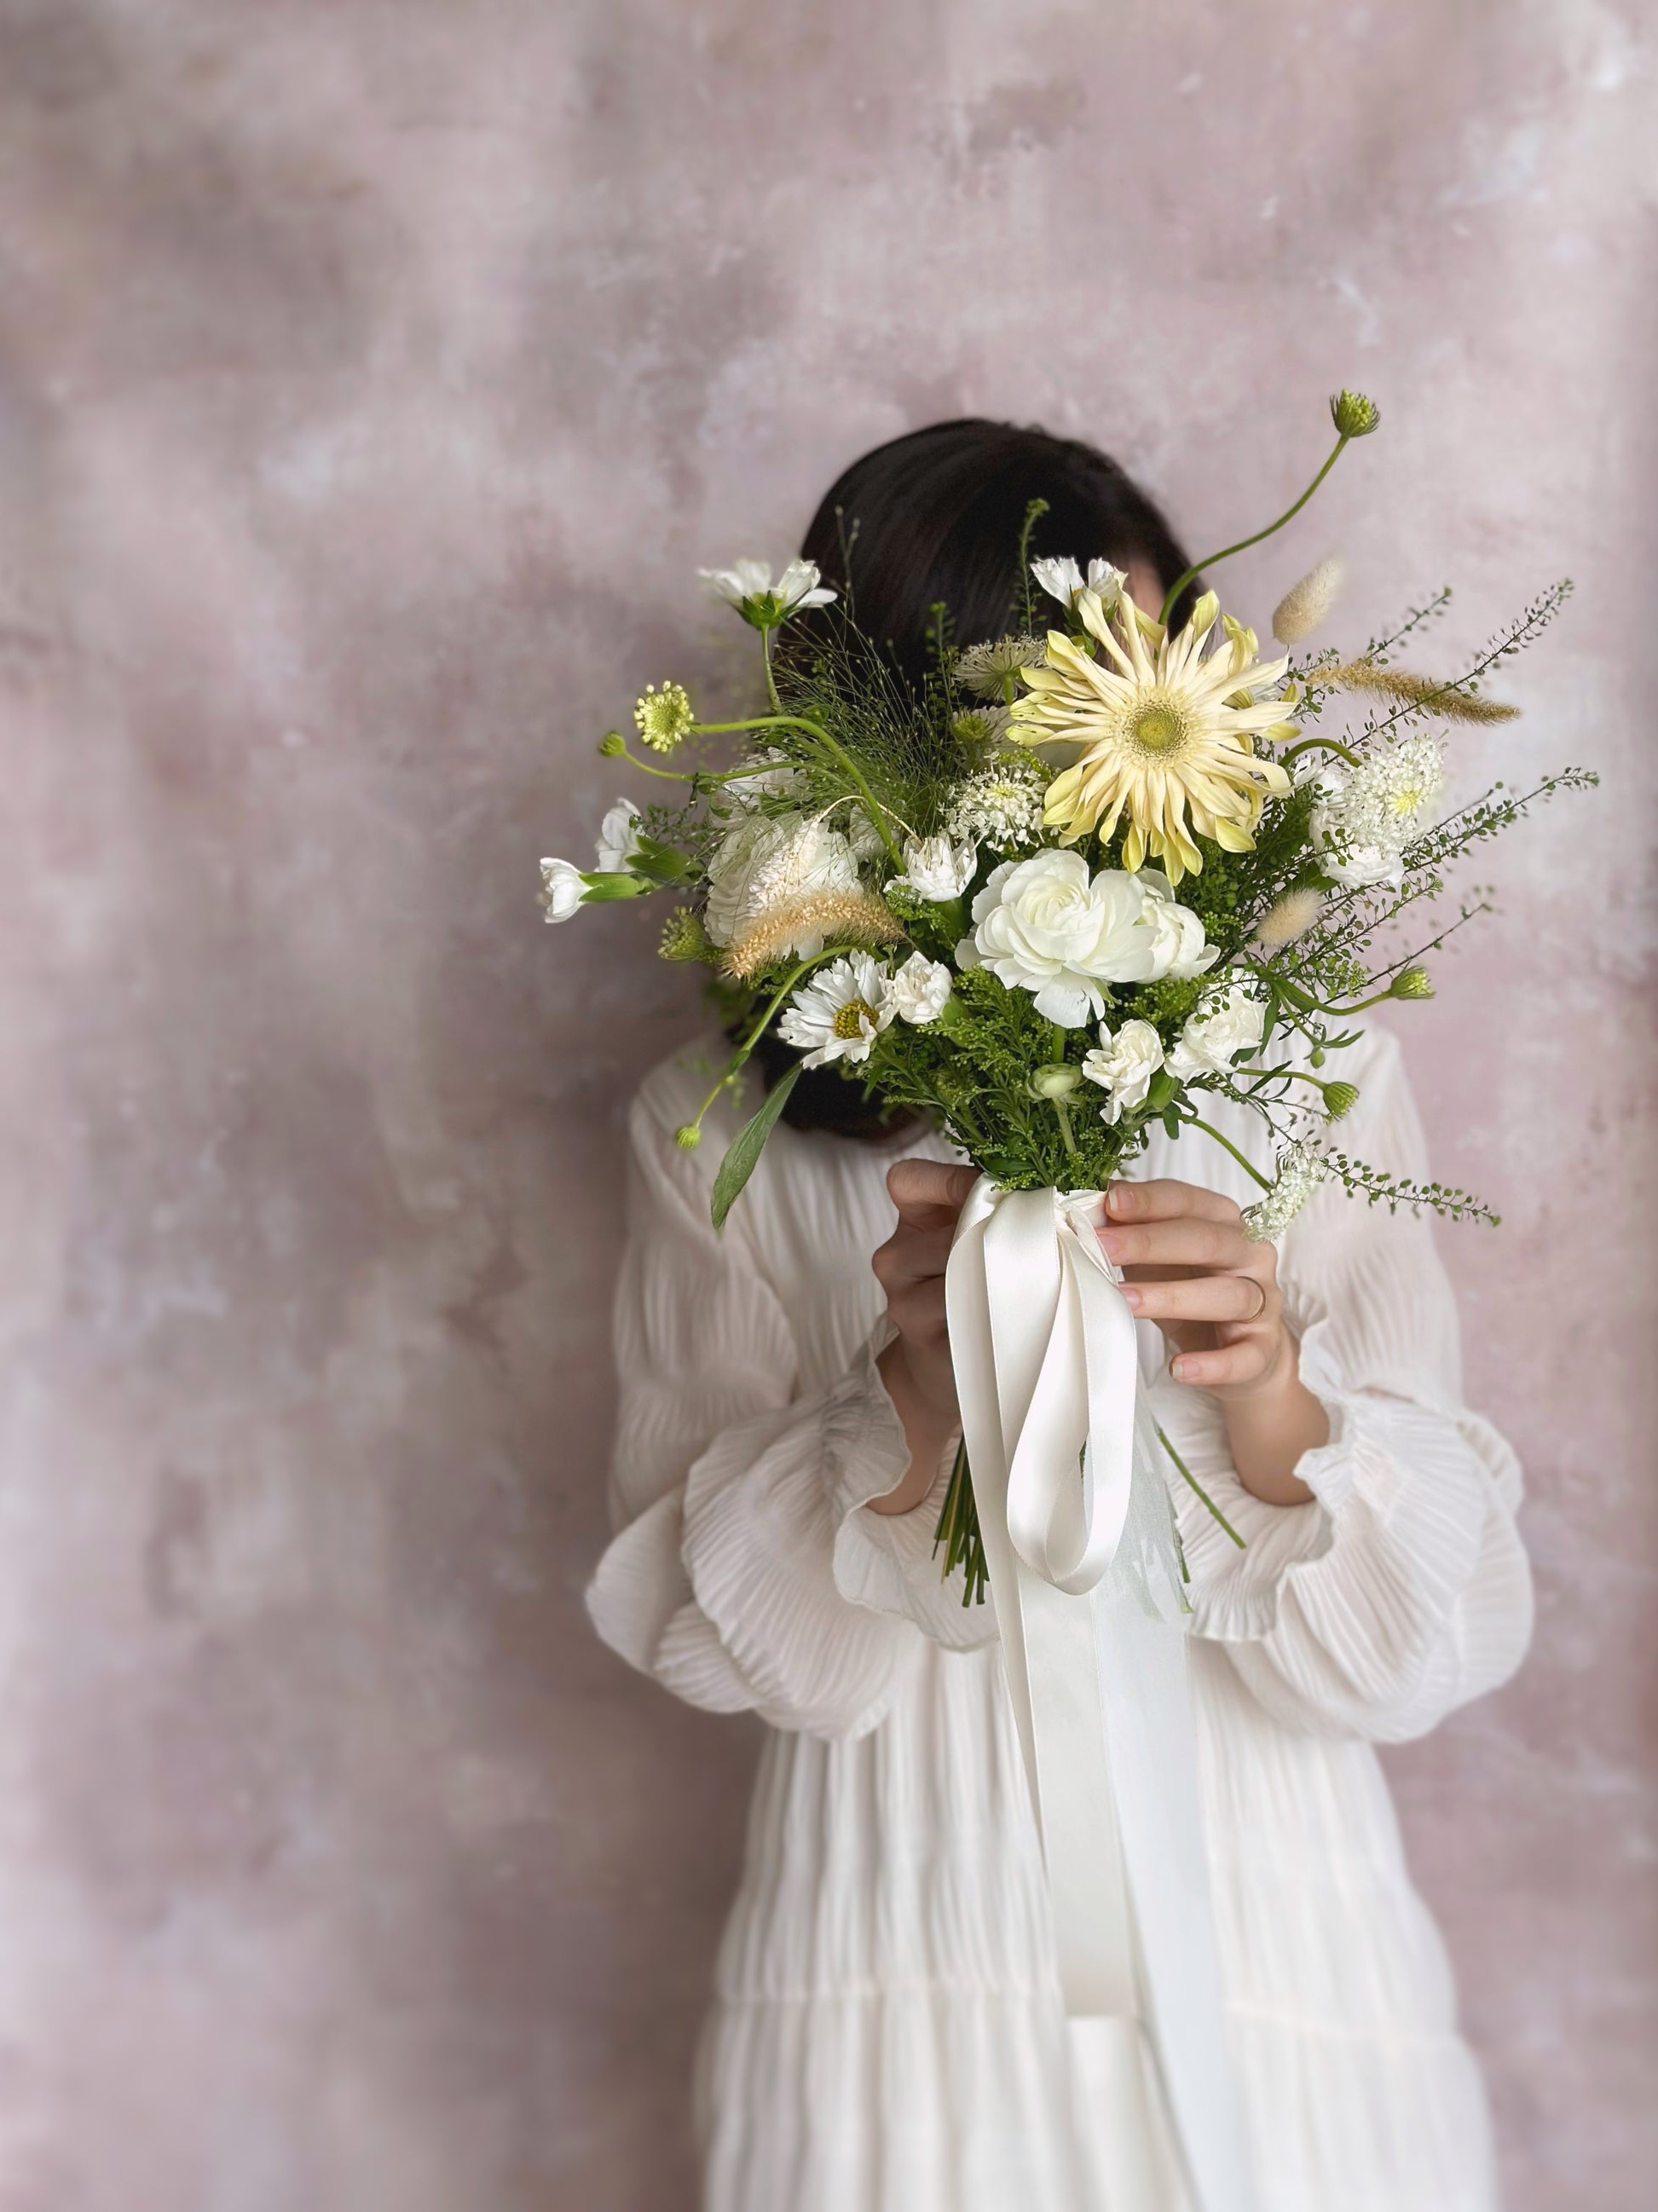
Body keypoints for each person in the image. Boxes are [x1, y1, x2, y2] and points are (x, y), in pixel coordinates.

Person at [586, 419, 1533, 2212]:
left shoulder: (1313, 1077)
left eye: (1153, 682)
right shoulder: (716, 1130)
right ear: (878, 729)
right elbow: (722, 1646)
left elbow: (1424, 1645)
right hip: (899, 1961)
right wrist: (905, 1402)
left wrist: (1266, 1386)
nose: (1122, 747)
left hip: (1274, 1949)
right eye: (1054, 697)